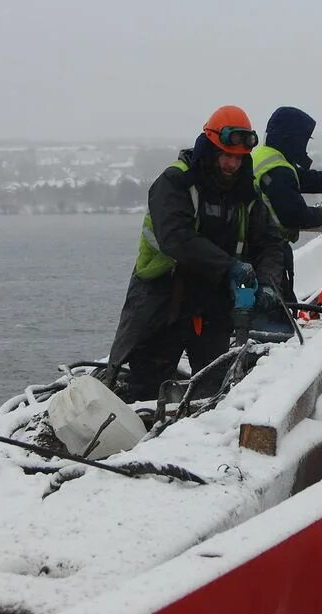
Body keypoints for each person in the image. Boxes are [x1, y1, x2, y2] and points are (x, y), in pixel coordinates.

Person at [105, 105, 286, 401]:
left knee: (213, 387)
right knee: (146, 387)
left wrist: (268, 283)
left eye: (239, 158)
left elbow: (270, 242)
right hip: (164, 301)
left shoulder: (247, 194)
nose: (231, 165)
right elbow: (176, 238)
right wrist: (229, 267)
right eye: (226, 155)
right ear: (210, 149)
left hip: (213, 306)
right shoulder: (175, 182)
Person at [251, 107, 322, 301]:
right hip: (268, 249)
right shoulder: (278, 169)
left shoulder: (266, 156)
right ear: (291, 138)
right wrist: (318, 214)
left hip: (256, 244)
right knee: (279, 305)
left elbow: (303, 178)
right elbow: (294, 214)